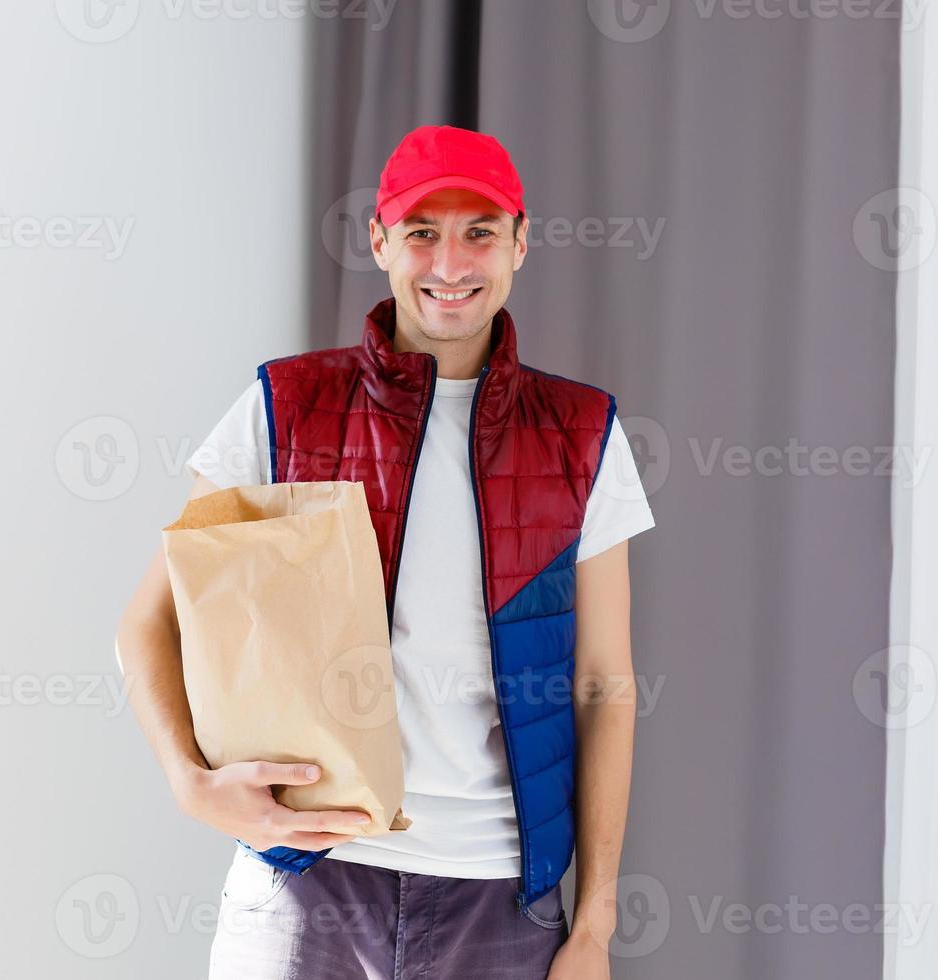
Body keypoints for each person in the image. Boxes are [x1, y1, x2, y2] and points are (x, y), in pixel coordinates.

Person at [116, 124, 655, 979]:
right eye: (421, 233)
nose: (451, 263)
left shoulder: (584, 434)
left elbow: (604, 686)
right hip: (305, 882)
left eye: (479, 232)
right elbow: (148, 622)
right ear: (379, 241)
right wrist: (190, 782)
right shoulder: (282, 406)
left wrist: (592, 928)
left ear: (521, 241)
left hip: (502, 901)